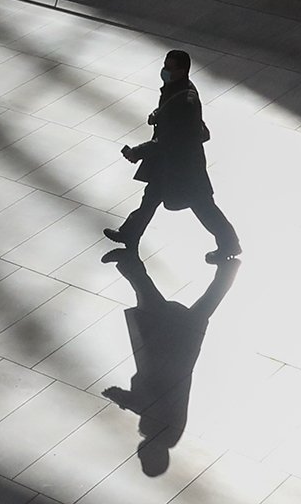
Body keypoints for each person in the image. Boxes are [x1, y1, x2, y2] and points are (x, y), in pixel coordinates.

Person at [104, 247, 238, 478]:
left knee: (191, 311)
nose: (140, 455)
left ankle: (227, 271)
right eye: (146, 458)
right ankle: (129, 263)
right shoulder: (164, 434)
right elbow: (152, 403)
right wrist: (121, 397)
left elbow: (150, 404)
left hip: (175, 361)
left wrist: (125, 399)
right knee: (156, 307)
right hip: (168, 359)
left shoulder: (160, 434)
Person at [106, 51, 240, 264]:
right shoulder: (178, 89)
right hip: (173, 163)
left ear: (182, 70)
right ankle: (130, 233)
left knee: (202, 206)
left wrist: (138, 152)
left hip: (183, 166)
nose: (165, 71)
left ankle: (229, 243)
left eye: (170, 68)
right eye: (165, 66)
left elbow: (170, 140)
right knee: (151, 197)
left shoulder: (185, 99)